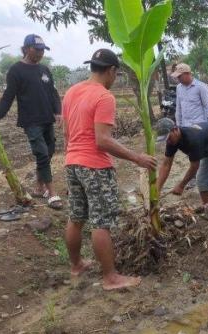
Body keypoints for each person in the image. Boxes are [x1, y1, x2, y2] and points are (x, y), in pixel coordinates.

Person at [62, 49, 157, 290]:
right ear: (112, 70)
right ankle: (110, 277)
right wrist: (137, 158)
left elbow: (66, 133)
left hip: (72, 162)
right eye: (117, 74)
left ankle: (76, 265)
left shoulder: (72, 92)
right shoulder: (104, 97)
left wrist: (73, 157)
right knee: (101, 222)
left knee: (76, 216)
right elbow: (102, 140)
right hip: (94, 165)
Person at [0, 34, 63, 209]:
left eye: (42, 50)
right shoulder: (16, 70)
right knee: (42, 153)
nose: (40, 53)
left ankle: (39, 187)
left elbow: (53, 93)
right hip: (31, 121)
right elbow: (8, 96)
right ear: (26, 49)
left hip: (47, 118)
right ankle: (52, 193)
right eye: (37, 50)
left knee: (49, 151)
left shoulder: (45, 70)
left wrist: (58, 112)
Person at [156, 118, 208, 204]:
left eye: (169, 138)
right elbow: (166, 165)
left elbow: (194, 167)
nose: (168, 141)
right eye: (166, 139)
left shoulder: (192, 138)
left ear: (175, 130)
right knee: (202, 181)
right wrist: (157, 190)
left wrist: (181, 185)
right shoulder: (171, 142)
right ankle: (207, 208)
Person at [172, 63, 208, 127]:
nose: (178, 78)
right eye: (177, 77)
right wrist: (178, 124)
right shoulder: (179, 88)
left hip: (199, 126)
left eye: (180, 76)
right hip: (185, 126)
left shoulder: (201, 87)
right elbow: (178, 107)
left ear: (188, 74)